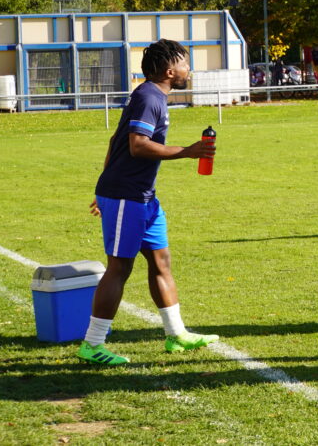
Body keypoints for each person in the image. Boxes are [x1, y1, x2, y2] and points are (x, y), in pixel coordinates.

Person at [79, 40, 219, 366]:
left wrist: (105, 184)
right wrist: (188, 151)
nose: (190, 68)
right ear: (171, 71)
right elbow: (136, 145)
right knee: (119, 267)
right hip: (126, 196)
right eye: (186, 62)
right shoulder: (147, 97)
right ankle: (93, 344)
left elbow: (116, 140)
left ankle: (176, 334)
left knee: (161, 261)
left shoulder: (155, 97)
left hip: (142, 197)